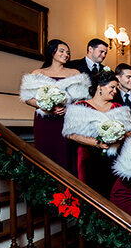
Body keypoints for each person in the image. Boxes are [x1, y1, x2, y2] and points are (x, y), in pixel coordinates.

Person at [20, 39, 90, 171]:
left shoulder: (75, 73)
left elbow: (83, 99)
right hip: (45, 122)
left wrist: (68, 108)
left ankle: (67, 189)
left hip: (67, 121)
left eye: (68, 52)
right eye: (62, 51)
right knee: (45, 154)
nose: (66, 54)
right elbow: (28, 98)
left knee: (66, 155)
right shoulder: (38, 73)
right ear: (52, 52)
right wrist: (46, 108)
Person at [62, 71, 131, 197]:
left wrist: (116, 138)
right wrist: (97, 143)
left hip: (113, 159)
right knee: (90, 193)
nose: (115, 91)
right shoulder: (80, 106)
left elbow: (129, 132)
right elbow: (71, 134)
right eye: (112, 87)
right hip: (88, 158)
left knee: (111, 192)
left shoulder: (118, 108)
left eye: (116, 88)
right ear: (100, 86)